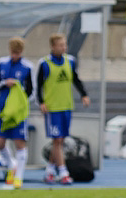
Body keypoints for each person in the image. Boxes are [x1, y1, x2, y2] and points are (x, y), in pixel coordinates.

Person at [36, 32, 90, 185]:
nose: (64, 47)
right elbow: (38, 85)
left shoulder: (70, 61)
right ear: (53, 47)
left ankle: (50, 172)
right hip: (53, 108)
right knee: (57, 140)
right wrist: (41, 102)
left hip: (66, 106)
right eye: (60, 45)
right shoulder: (45, 63)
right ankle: (63, 172)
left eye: (64, 45)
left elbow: (76, 79)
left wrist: (84, 94)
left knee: (59, 141)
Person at [0, 37, 34, 189]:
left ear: (21, 52)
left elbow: (32, 91)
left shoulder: (28, 67)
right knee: (0, 142)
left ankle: (19, 177)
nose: (15, 55)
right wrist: (4, 83)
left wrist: (20, 101)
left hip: (17, 114)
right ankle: (11, 166)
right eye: (13, 52)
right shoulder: (2, 63)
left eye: (18, 52)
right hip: (2, 111)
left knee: (19, 143)